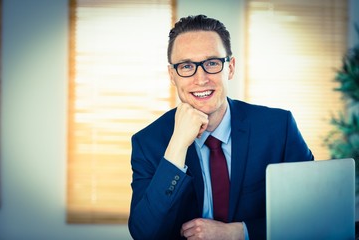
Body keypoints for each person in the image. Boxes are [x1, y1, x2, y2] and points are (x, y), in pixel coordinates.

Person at [128, 15, 314, 240]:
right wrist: (176, 147)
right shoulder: (148, 142)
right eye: (186, 66)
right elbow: (144, 233)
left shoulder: (278, 128)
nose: (201, 78)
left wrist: (239, 232)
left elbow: (311, 214)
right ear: (172, 75)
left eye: (212, 63)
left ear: (230, 67)